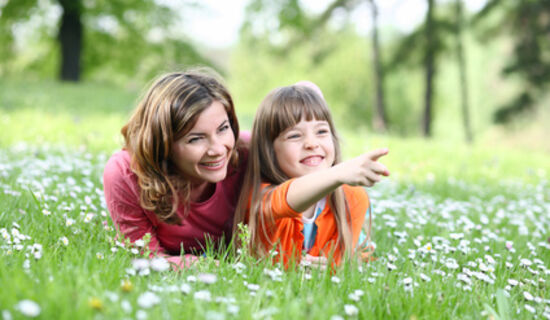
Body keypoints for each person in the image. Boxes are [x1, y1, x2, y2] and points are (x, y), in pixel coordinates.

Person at [103, 69, 248, 268]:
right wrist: (199, 265)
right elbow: (146, 258)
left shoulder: (246, 152)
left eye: (223, 128)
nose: (218, 149)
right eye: (196, 138)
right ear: (164, 144)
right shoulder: (126, 173)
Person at [234, 83, 389, 268]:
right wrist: (338, 173)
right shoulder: (261, 197)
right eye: (294, 136)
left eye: (322, 132)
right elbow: (286, 199)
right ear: (270, 150)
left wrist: (329, 270)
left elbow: (338, 266)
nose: (311, 143)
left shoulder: (352, 199)